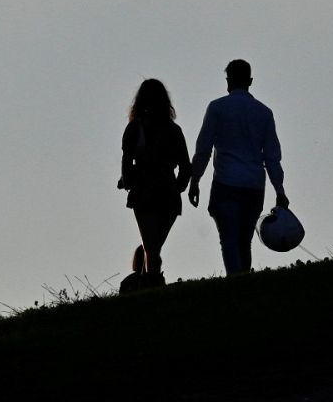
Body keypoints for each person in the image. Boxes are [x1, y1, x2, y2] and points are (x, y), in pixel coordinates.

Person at [188, 59, 288, 275]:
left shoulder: (217, 108)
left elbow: (203, 148)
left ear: (228, 80)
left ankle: (236, 280)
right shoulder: (264, 113)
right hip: (254, 183)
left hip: (226, 182)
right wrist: (280, 191)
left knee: (229, 240)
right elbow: (272, 157)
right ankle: (244, 279)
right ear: (250, 81)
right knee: (245, 240)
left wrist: (195, 179)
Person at [117, 78, 192, 282]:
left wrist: (128, 182)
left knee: (152, 246)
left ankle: (149, 282)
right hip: (168, 192)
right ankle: (150, 281)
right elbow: (186, 166)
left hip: (144, 192)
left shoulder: (134, 128)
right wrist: (179, 187)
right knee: (154, 245)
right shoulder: (174, 131)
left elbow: (126, 161)